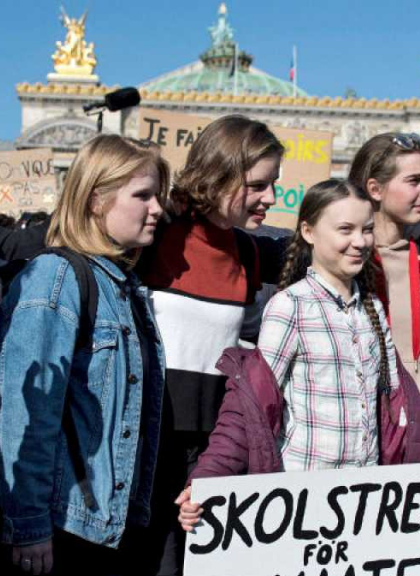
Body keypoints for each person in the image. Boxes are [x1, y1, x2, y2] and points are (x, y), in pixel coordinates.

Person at [175, 179, 420, 529]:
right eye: (345, 229)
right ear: (309, 231)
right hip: (302, 506)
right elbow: (249, 405)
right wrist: (207, 479)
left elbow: (401, 415)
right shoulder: (290, 307)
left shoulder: (372, 309)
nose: (359, 242)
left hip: (361, 506)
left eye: (367, 230)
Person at [0, 135, 170, 576]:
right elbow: (25, 414)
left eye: (158, 195)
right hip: (61, 530)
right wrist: (29, 525)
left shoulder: (124, 287)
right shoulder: (57, 276)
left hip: (103, 526)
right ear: (95, 200)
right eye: (142, 195)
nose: (157, 208)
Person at [133, 114, 286, 575]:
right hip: (147, 449)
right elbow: (55, 246)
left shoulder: (251, 250)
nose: (271, 199)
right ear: (220, 173)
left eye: (274, 184)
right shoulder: (155, 233)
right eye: (258, 185)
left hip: (214, 454)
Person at [348, 132, 420, 431]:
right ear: (375, 189)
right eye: (414, 181)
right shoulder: (344, 263)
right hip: (359, 435)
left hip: (417, 434)